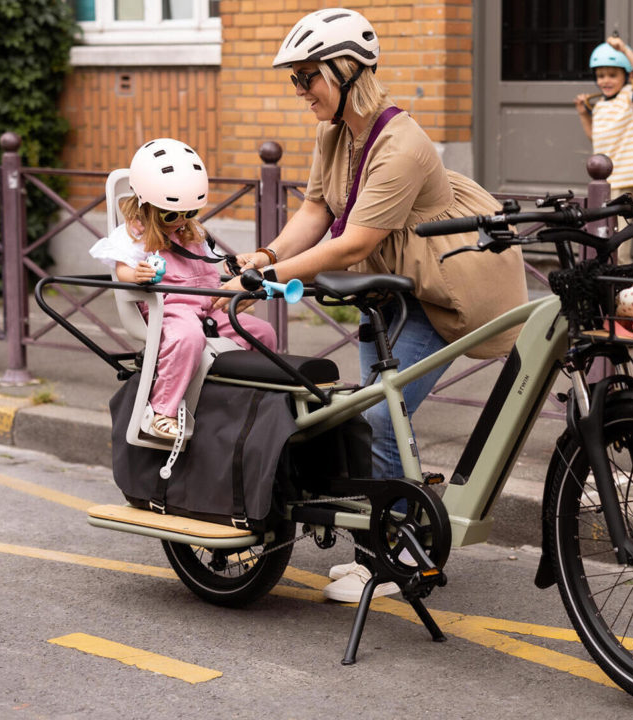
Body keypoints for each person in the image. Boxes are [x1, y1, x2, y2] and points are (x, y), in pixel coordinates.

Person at [216, 8, 528, 602]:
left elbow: (353, 243)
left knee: (382, 419)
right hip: (385, 292)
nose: (300, 90)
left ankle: (389, 561)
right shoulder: (334, 133)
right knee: (378, 421)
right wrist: (265, 256)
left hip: (435, 295)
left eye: (307, 77)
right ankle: (393, 545)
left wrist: (268, 279)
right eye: (295, 79)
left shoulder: (401, 145)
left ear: (345, 71)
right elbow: (316, 211)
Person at [91, 138, 278, 442]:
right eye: (170, 215)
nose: (180, 221)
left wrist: (235, 269)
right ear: (146, 206)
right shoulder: (135, 234)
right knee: (188, 338)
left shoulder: (191, 232)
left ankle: (256, 401)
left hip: (209, 305)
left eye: (189, 213)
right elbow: (120, 267)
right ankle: (161, 410)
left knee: (262, 332)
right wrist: (136, 274)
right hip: (170, 308)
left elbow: (210, 265)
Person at [573, 35, 633, 265]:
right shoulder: (599, 105)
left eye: (612, 75)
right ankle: (609, 272)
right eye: (600, 75)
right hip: (606, 178)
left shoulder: (629, 96)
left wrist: (625, 49)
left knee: (618, 233)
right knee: (604, 229)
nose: (605, 81)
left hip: (625, 175)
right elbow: (595, 137)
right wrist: (583, 113)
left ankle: (621, 273)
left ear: (626, 76)